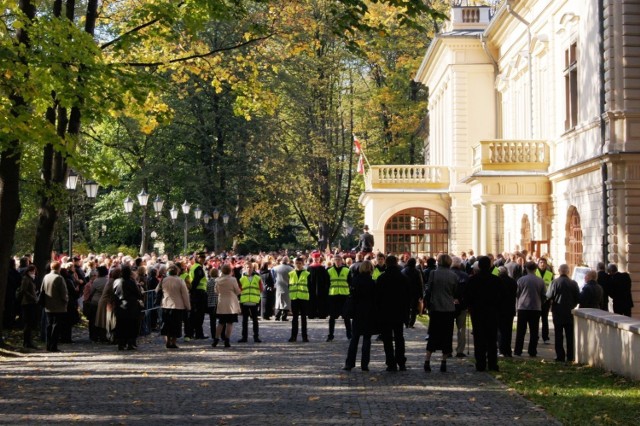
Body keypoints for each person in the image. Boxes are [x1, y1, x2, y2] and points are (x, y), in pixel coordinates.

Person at [465, 256, 503, 372]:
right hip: (492, 312)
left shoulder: (472, 280)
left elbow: (468, 297)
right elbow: (500, 298)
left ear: (479, 266)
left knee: (479, 338)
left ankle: (480, 363)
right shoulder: (496, 280)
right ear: (490, 266)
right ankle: (492, 363)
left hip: (477, 313)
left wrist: (469, 307)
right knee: (492, 339)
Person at [423, 254, 458, 373]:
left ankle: (427, 360)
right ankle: (443, 362)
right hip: (448, 309)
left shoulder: (433, 273)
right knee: (447, 335)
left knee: (433, 334)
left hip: (436, 307)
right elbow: (455, 292)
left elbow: (429, 289)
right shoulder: (453, 275)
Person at [377, 255, 410, 372]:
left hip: (385, 312)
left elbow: (377, 298)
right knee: (399, 338)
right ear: (396, 263)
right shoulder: (403, 278)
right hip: (399, 312)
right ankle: (401, 362)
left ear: (386, 263)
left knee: (387, 339)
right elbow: (408, 297)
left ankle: (390, 363)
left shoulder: (382, 278)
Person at [343, 260, 377, 371]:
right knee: (367, 339)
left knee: (355, 338)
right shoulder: (372, 283)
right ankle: (364, 364)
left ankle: (349, 363)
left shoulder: (355, 281)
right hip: (369, 313)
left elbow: (353, 296)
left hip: (357, 312)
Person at [546, 264, 580, 362]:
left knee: (558, 335)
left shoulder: (555, 282)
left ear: (559, 271)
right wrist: (573, 305)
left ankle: (560, 355)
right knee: (570, 335)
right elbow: (578, 298)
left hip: (558, 312)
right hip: (569, 312)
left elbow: (549, 296)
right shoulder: (573, 283)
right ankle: (570, 355)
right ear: (568, 271)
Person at [514, 262, 546, 357]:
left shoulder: (521, 280)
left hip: (523, 307)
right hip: (536, 308)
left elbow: (517, 293)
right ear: (535, 269)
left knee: (520, 331)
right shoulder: (540, 281)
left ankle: (518, 350)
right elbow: (544, 295)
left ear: (526, 269)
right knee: (534, 331)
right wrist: (540, 302)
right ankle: (532, 351)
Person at [158, 263, 191, 349]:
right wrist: (188, 306)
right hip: (178, 305)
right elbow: (185, 294)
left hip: (165, 304)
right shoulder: (180, 280)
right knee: (176, 325)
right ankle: (173, 342)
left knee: (167, 324)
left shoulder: (164, 280)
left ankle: (168, 341)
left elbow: (156, 290)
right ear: (177, 271)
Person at [41, 261, 68, 352]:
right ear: (59, 268)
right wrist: (66, 301)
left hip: (48, 305)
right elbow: (63, 293)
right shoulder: (59, 278)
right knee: (56, 326)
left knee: (48, 325)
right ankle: (54, 346)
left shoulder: (46, 277)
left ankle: (48, 345)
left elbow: (42, 290)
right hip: (58, 306)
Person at [113, 265, 142, 351]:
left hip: (120, 306)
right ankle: (130, 343)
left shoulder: (117, 281)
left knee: (121, 325)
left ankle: (121, 343)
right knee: (131, 325)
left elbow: (114, 293)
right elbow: (138, 294)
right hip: (131, 306)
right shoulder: (131, 282)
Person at [212, 263, 241, 348]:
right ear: (230, 271)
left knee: (221, 323)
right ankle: (227, 340)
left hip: (221, 302)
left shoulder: (217, 280)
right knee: (229, 323)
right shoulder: (233, 280)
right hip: (231, 303)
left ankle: (216, 339)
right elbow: (237, 291)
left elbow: (216, 291)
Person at [326, 254, 352, 341]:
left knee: (346, 317)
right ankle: (330, 335)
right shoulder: (329, 271)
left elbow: (350, 282)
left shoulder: (347, 270)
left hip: (344, 295)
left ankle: (349, 334)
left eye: (339, 260)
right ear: (333, 261)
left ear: (342, 261)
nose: (337, 261)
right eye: (335, 260)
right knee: (332, 317)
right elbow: (326, 284)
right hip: (333, 295)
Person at [238, 262, 263, 343]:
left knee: (255, 320)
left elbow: (261, 289)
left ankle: (256, 337)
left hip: (254, 301)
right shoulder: (242, 279)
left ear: (253, 268)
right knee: (244, 321)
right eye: (247, 267)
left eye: (250, 267)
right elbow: (239, 290)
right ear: (245, 268)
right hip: (244, 302)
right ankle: (244, 337)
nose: (249, 269)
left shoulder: (257, 278)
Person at [187, 252, 209, 340]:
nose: (203, 259)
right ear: (197, 258)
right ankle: (198, 333)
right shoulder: (198, 268)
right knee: (199, 315)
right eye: (201, 257)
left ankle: (193, 333)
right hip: (199, 293)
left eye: (204, 257)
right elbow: (196, 281)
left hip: (196, 293)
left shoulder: (194, 267)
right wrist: (192, 292)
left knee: (195, 314)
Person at [288, 257, 310, 342]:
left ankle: (305, 337)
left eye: (299, 263)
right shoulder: (291, 274)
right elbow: (288, 286)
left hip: (304, 298)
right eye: (296, 263)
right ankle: (293, 336)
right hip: (294, 298)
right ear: (294, 264)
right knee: (294, 318)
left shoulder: (307, 274)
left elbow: (309, 286)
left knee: (304, 318)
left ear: (303, 264)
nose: (298, 265)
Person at [449, 256, 468, 357]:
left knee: (448, 328)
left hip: (448, 304)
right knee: (461, 329)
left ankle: (447, 350)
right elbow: (467, 292)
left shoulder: (447, 274)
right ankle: (460, 350)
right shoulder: (465, 276)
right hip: (462, 305)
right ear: (460, 264)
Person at [497, 266, 518, 357]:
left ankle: (501, 350)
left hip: (499, 309)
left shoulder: (497, 281)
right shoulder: (513, 281)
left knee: (500, 330)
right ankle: (508, 350)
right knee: (508, 330)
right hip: (510, 309)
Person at [18, 265, 38, 349]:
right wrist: (32, 297)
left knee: (30, 323)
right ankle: (26, 342)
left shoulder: (30, 279)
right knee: (28, 323)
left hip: (31, 302)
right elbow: (24, 290)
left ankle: (28, 341)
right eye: (32, 271)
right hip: (27, 303)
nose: (33, 273)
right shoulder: (26, 279)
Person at [535, 258, 554, 344]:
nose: (542, 264)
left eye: (544, 263)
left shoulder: (550, 274)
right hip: (536, 299)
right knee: (535, 320)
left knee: (545, 319)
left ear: (546, 264)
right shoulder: (535, 273)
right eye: (541, 262)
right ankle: (535, 337)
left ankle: (545, 337)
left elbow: (552, 287)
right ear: (538, 264)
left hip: (546, 300)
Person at [402, 257, 424, 329]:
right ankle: (411, 323)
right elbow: (420, 283)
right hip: (415, 292)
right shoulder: (417, 271)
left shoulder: (404, 271)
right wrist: (421, 294)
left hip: (405, 292)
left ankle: (406, 322)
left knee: (406, 308)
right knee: (414, 309)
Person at [307, 251, 329, 319]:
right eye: (315, 258)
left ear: (319, 259)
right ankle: (312, 314)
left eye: (317, 258)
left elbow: (326, 279)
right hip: (311, 287)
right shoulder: (309, 268)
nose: (316, 259)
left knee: (321, 301)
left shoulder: (322, 268)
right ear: (312, 259)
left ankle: (321, 314)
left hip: (321, 287)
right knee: (312, 300)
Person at [273, 257, 293, 321]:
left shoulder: (275, 268)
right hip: (287, 286)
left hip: (278, 286)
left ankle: (277, 316)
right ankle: (284, 317)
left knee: (278, 301)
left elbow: (273, 276)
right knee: (286, 302)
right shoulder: (291, 269)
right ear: (287, 261)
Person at [206, 266, 219, 340]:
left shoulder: (208, 282)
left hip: (210, 303)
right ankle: (222, 334)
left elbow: (206, 293)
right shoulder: (219, 281)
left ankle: (213, 335)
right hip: (218, 303)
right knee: (221, 320)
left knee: (212, 321)